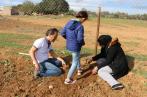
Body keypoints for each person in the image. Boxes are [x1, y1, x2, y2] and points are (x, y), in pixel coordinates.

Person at [60, 11, 88, 84]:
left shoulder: (68, 22)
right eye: (85, 20)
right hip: (75, 47)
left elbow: (62, 33)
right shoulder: (80, 26)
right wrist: (83, 43)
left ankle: (79, 70)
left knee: (77, 57)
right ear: (83, 18)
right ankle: (68, 80)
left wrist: (69, 39)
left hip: (69, 45)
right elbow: (79, 39)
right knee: (75, 62)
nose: (84, 21)